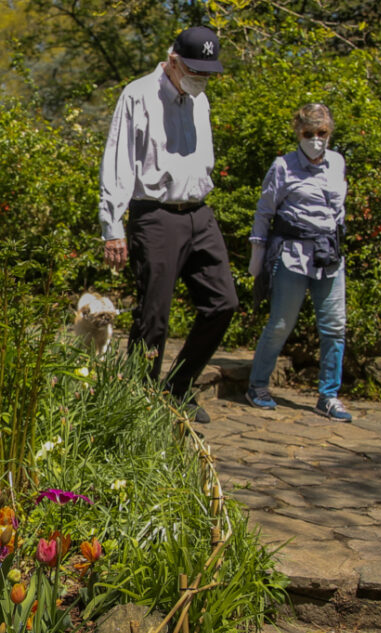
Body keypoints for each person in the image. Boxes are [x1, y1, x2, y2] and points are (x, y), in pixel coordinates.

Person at [100, 26, 239, 421]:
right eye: (195, 70)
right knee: (154, 314)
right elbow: (118, 162)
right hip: (156, 215)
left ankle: (177, 386)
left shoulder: (200, 98)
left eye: (208, 72)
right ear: (173, 59)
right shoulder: (138, 95)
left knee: (223, 303)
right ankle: (138, 401)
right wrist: (113, 227)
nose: (202, 78)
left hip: (199, 212)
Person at [246, 102, 352, 421]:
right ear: (298, 132)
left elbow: (338, 209)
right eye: (309, 133)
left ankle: (329, 396)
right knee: (280, 324)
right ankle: (258, 385)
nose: (316, 139)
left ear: (329, 132)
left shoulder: (337, 163)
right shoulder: (283, 167)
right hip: (292, 255)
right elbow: (265, 212)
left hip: (328, 255)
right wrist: (257, 257)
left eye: (322, 132)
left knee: (334, 326)